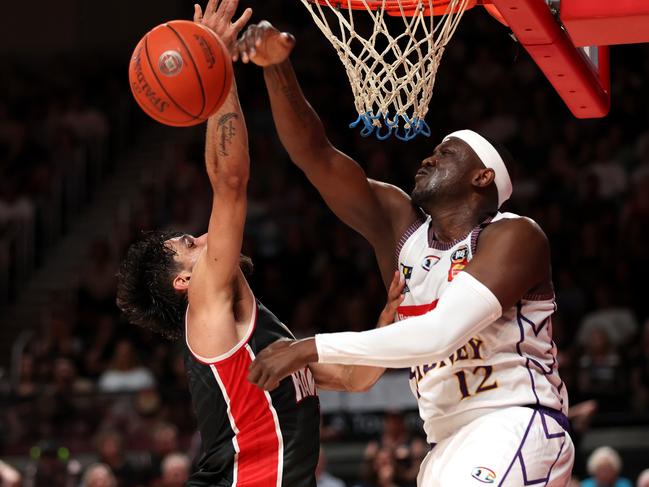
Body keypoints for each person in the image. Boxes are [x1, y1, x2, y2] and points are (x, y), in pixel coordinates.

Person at [237, 21, 575, 485]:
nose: (427, 158)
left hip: (513, 421)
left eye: (446, 153)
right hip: (442, 443)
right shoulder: (401, 231)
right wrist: (277, 69)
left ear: (482, 178)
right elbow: (317, 156)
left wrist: (308, 348)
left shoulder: (515, 236)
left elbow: (439, 333)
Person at [116, 2, 403, 485]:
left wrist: (390, 312)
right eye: (191, 243)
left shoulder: (268, 341)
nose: (207, 235)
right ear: (187, 281)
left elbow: (356, 378)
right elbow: (229, 181)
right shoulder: (207, 311)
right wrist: (217, 68)